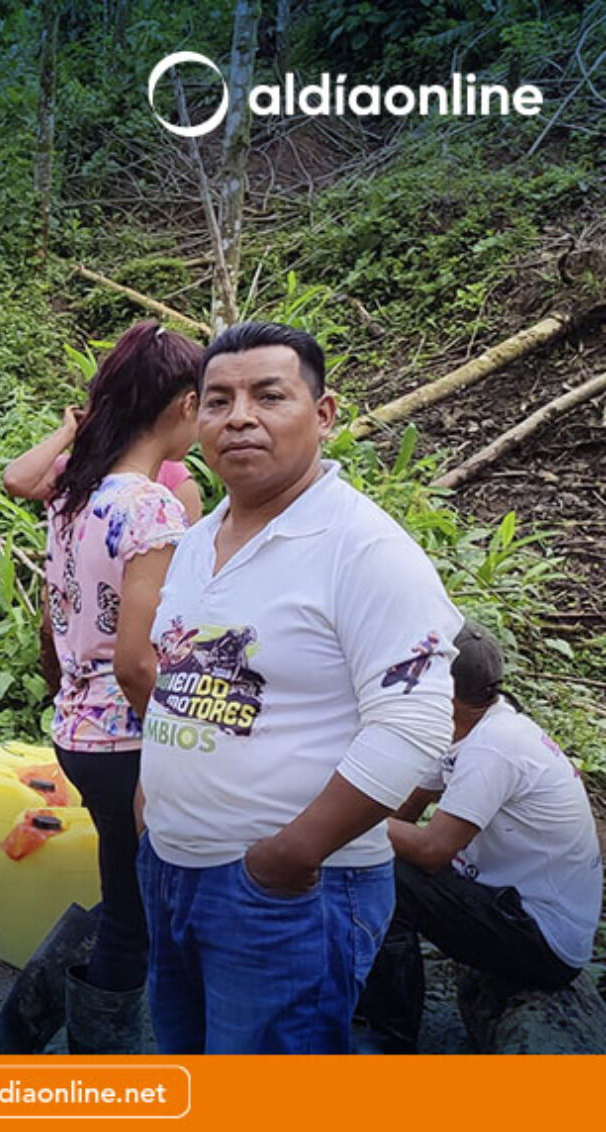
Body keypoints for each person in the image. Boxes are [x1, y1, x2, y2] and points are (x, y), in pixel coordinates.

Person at [137, 321, 459, 1054]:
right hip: (172, 869)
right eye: (217, 401)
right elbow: (176, 673)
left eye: (268, 395)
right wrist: (150, 809)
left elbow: (412, 726)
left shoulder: (366, 550)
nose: (239, 416)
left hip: (284, 895)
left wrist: (288, 857)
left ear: (324, 414)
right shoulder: (198, 539)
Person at [0, 322, 202, 1055]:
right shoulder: (152, 509)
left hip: (78, 729)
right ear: (181, 405)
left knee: (125, 897)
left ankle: (12, 1035)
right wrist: (179, 746)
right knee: (139, 920)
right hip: (130, 735)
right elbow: (140, 663)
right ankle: (94, 1069)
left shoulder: (78, 494)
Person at [357, 621, 602, 1053]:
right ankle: (365, 999)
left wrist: (351, 820)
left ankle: (389, 1039)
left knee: (390, 875)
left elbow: (431, 851)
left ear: (445, 694)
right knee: (372, 860)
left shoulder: (494, 746)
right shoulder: (468, 727)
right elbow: (406, 811)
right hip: (510, 904)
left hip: (543, 938)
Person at [4, 405, 205, 523]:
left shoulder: (172, 475)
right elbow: (16, 480)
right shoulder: (74, 470)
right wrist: (66, 433)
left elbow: (189, 560)